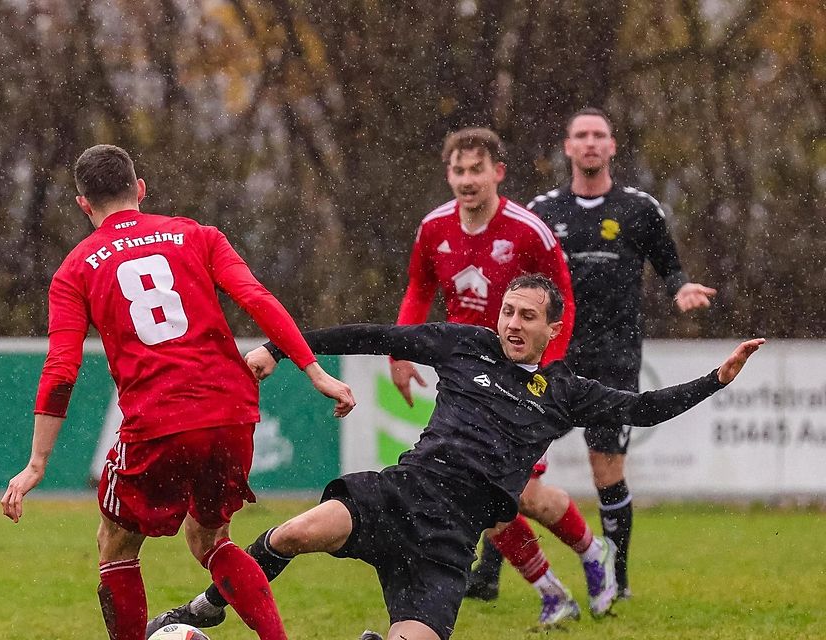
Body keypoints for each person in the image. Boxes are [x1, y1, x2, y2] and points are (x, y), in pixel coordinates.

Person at [146, 273, 763, 640]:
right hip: (401, 493)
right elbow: (370, 336)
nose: (513, 325)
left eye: (528, 317)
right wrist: (281, 351)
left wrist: (718, 378)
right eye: (508, 313)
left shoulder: (567, 393)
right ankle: (205, 610)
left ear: (554, 329)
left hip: (450, 543)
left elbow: (646, 407)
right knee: (295, 533)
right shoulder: (468, 345)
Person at [0, 144, 356, 640]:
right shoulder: (197, 235)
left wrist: (37, 463)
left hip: (158, 418)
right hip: (231, 410)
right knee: (211, 539)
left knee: (117, 545)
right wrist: (314, 371)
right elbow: (256, 296)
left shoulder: (75, 269)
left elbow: (62, 367)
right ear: (139, 189)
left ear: (83, 204)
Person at [475, 107, 715, 599]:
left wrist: (681, 287)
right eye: (580, 135)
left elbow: (669, 265)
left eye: (598, 135)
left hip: (614, 359)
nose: (589, 143)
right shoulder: (543, 211)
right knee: (509, 458)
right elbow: (516, 278)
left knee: (606, 469)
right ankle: (487, 575)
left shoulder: (639, 208)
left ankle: (617, 579)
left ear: (612, 146)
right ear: (567, 147)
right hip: (552, 356)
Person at [391, 126, 607, 625]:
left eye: (476, 170)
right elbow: (418, 288)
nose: (467, 180)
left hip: (519, 376)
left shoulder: (528, 230)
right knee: (479, 495)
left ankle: (592, 553)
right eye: (459, 170)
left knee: (522, 497)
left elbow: (564, 300)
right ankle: (555, 592)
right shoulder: (434, 228)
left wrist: (547, 366)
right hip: (464, 377)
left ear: (498, 173)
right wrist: (399, 354)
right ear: (448, 174)